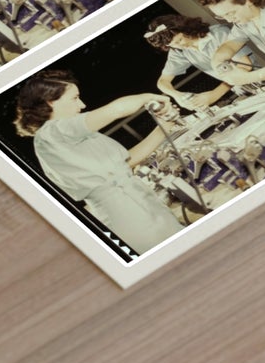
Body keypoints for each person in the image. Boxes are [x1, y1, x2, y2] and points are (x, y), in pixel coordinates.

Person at [14, 70, 185, 252]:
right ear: (51, 101)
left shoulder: (73, 135)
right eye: (75, 98)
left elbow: (126, 163)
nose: (82, 105)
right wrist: (149, 97)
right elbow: (116, 110)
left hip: (140, 200)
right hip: (125, 215)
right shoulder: (51, 133)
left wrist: (164, 127)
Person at [144, 14, 247, 110]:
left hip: (258, 78)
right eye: (172, 45)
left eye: (179, 40)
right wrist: (177, 96)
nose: (180, 46)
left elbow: (245, 67)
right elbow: (162, 82)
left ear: (185, 28)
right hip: (241, 91)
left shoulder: (218, 33)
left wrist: (214, 94)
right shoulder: (179, 51)